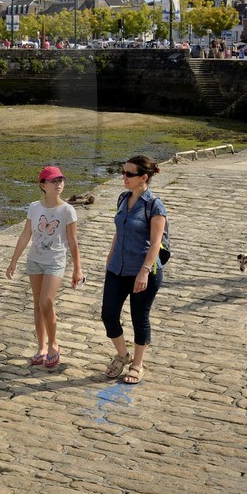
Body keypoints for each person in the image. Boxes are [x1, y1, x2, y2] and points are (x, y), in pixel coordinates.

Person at [5, 165, 82, 368]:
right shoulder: (34, 207)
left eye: (60, 180)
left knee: (46, 301)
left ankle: (54, 344)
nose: (58, 184)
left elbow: (73, 241)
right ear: (43, 185)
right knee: (38, 304)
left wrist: (77, 268)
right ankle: (41, 347)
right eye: (53, 181)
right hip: (35, 260)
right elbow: (26, 234)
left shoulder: (67, 210)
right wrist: (14, 261)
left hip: (56, 261)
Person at [101, 155, 167, 385]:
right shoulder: (123, 198)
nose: (124, 177)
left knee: (140, 318)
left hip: (143, 271)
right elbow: (118, 232)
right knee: (108, 315)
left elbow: (156, 243)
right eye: (123, 172)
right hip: (117, 269)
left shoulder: (154, 206)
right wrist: (109, 260)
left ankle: (138, 363)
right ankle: (123, 354)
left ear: (143, 178)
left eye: (129, 174)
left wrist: (144, 271)